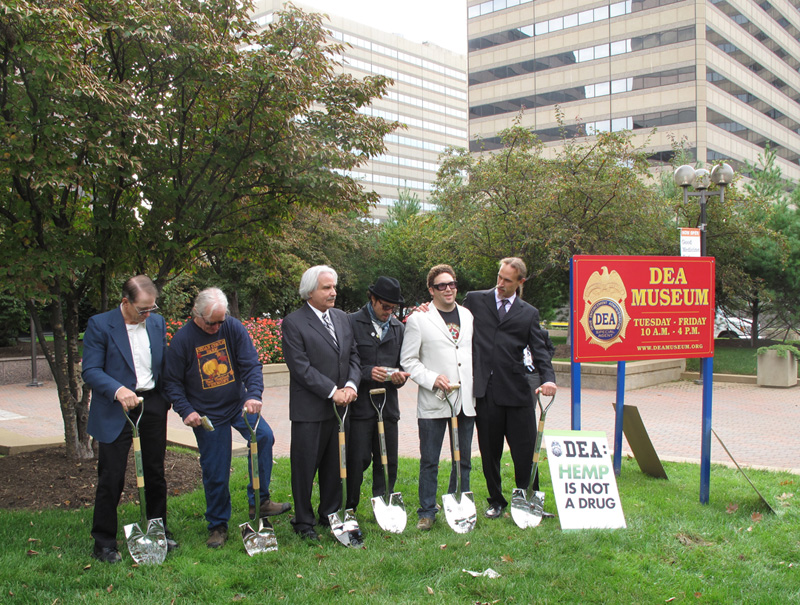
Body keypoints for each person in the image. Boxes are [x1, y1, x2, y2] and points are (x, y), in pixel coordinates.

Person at [163, 288, 289, 549]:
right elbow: (172, 382)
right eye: (212, 323)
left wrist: (253, 394)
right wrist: (187, 411)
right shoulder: (183, 340)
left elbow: (250, 364)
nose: (217, 327)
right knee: (216, 469)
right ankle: (218, 525)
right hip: (206, 415)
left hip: (237, 406)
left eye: (221, 321)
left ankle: (260, 501)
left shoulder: (232, 328)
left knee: (263, 437)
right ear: (195, 315)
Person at [83, 275, 176, 563]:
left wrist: (166, 399)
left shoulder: (156, 324)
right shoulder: (101, 325)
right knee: (112, 476)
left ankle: (157, 529)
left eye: (152, 308)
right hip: (116, 409)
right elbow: (91, 370)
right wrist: (118, 389)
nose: (149, 314)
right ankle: (104, 542)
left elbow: (162, 364)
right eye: (143, 309)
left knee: (154, 472)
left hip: (151, 406)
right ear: (125, 302)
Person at [462, 257, 557, 520]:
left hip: (517, 392)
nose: (500, 283)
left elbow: (540, 351)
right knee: (489, 450)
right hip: (486, 390)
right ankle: (496, 500)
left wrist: (548, 379)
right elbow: (451, 319)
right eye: (499, 277)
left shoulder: (528, 313)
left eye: (507, 280)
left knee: (525, 451)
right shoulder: (475, 300)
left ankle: (528, 499)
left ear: (520, 282)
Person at [281, 266, 361, 541]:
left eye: (334, 286)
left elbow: (353, 355)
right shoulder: (294, 323)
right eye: (327, 288)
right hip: (309, 410)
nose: (333, 292)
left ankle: (330, 513)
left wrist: (351, 385)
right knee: (305, 467)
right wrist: (332, 391)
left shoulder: (341, 318)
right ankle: (303, 521)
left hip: (341, 409)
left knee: (335, 464)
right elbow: (300, 367)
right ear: (310, 291)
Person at [400, 264, 476, 531]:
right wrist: (433, 379)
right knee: (430, 459)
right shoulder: (419, 319)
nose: (448, 289)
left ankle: (459, 504)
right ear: (431, 290)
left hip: (464, 399)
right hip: (434, 400)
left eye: (452, 284)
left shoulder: (467, 316)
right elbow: (408, 360)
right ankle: (427, 511)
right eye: (442, 285)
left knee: (463, 459)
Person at [346, 276, 410, 512]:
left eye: (393, 308)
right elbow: (344, 364)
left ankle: (384, 504)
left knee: (388, 461)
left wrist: (399, 378)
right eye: (385, 306)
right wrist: (367, 372)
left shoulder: (399, 328)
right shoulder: (351, 323)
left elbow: (403, 366)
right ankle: (349, 505)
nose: (389, 312)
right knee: (358, 459)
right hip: (361, 406)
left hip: (388, 407)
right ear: (372, 298)